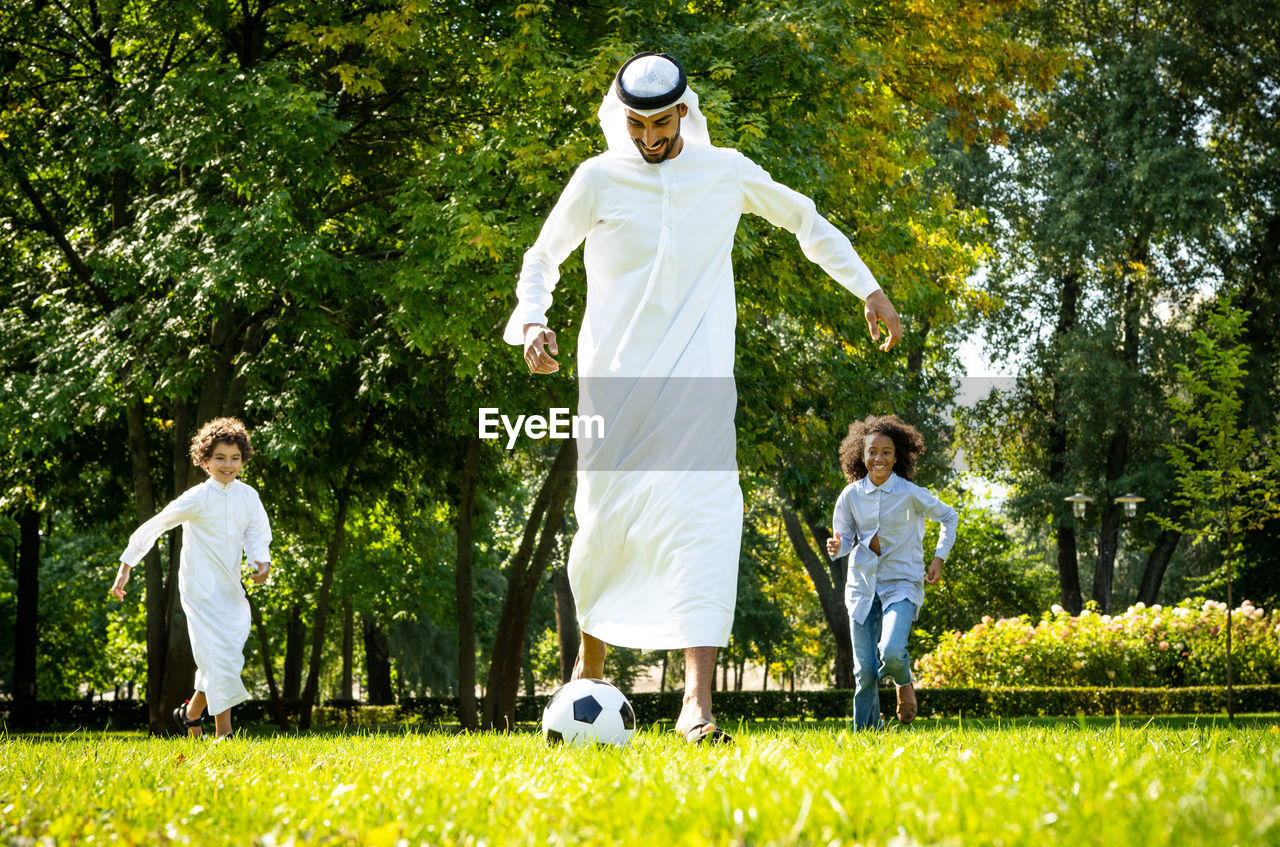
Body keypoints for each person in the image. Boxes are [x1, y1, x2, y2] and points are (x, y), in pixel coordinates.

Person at [507, 52, 903, 743]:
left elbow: (804, 221)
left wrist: (867, 287)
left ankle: (698, 706)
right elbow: (544, 255)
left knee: (707, 521)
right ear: (621, 117)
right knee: (604, 522)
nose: (649, 138)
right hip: (614, 385)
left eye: (660, 124)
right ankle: (588, 670)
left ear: (683, 112)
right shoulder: (596, 179)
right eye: (636, 125)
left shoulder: (724, 172)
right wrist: (533, 320)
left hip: (698, 385)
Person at [109, 417, 272, 740]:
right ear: (205, 460)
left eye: (235, 458)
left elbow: (257, 532)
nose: (228, 465)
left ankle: (190, 713)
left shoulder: (248, 496)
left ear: (244, 459)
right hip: (200, 591)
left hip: (231, 591)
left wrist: (261, 559)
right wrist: (126, 565)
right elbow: (156, 524)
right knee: (218, 657)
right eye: (220, 458)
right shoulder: (197, 497)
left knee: (226, 658)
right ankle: (224, 733)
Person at [825, 414, 957, 729]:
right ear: (861, 456)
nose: (879, 458)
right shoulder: (851, 496)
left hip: (902, 584)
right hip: (862, 587)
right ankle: (867, 734)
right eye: (872, 452)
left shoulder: (910, 493)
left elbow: (949, 517)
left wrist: (939, 558)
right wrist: (837, 548)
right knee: (865, 672)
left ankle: (903, 680)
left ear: (896, 457)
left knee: (893, 651)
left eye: (886, 452)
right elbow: (844, 541)